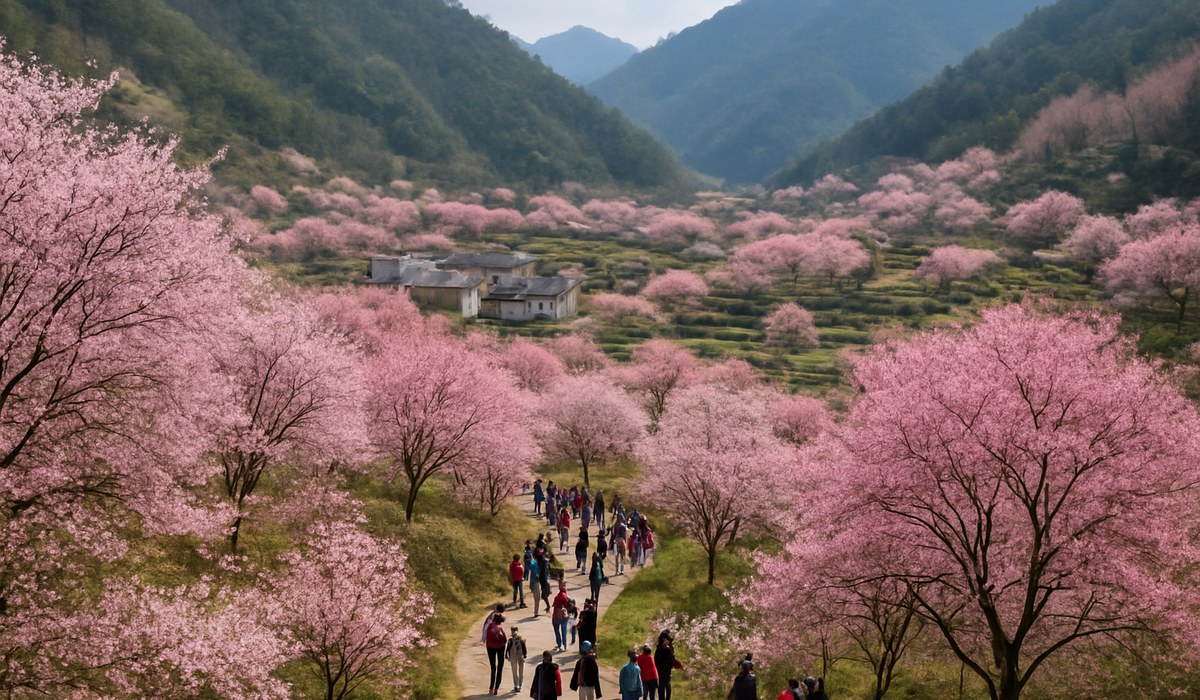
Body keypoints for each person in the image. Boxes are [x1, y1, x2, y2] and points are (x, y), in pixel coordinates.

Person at [484, 611, 508, 695]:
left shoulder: (490, 626)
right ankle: (496, 688)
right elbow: (505, 639)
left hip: (490, 647)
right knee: (500, 666)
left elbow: (486, 636)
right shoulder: (500, 627)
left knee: (493, 667)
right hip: (500, 647)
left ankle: (491, 687)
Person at [654, 630, 679, 700]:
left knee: (666, 685)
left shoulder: (669, 648)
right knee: (663, 686)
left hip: (666, 669)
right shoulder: (661, 648)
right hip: (662, 669)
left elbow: (671, 658)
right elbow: (657, 659)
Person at [507, 626, 528, 693]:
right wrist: (525, 655)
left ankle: (516, 685)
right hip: (520, 656)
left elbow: (508, 648)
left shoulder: (510, 640)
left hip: (513, 656)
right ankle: (520, 684)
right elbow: (524, 647)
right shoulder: (521, 638)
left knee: (514, 671)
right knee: (521, 671)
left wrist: (507, 656)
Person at [552, 585, 571, 651]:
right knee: (564, 632)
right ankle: (564, 646)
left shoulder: (556, 597)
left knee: (557, 631)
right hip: (564, 616)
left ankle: (559, 644)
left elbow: (554, 605)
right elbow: (569, 605)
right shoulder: (566, 597)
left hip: (555, 616)